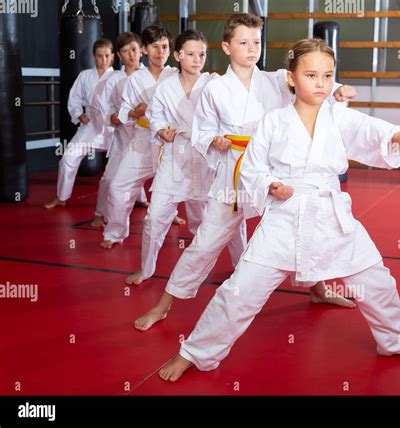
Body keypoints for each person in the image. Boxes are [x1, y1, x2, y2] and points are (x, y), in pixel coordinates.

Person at [158, 38, 400, 382]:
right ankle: (196, 352)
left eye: (327, 75)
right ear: (291, 78)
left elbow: (371, 130)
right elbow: (252, 168)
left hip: (332, 214)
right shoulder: (273, 121)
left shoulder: (339, 118)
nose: (320, 83)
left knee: (377, 282)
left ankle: (396, 340)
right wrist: (270, 185)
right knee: (239, 291)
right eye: (311, 75)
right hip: (284, 216)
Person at [134, 14, 356, 332]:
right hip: (233, 175)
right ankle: (163, 304)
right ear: (226, 47)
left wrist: (336, 90)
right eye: (243, 42)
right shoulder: (215, 88)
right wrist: (215, 140)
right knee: (205, 242)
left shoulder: (277, 79)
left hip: (275, 171)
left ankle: (317, 288)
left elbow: (311, 80)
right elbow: (201, 132)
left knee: (303, 229)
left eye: (256, 42)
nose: (252, 49)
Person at [126, 29, 245, 286]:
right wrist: (160, 130)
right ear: (178, 56)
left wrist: (222, 136)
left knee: (227, 215)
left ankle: (242, 266)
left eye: (201, 54)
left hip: (209, 157)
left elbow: (231, 114)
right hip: (176, 156)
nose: (197, 59)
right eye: (190, 54)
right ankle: (145, 269)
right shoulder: (165, 86)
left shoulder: (214, 82)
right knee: (155, 217)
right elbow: (155, 115)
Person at [100, 26, 183, 249]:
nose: (160, 51)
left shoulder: (176, 75)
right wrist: (137, 111)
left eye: (164, 46)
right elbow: (124, 112)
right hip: (142, 141)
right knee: (118, 188)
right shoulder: (136, 79)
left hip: (171, 143)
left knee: (193, 192)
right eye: (154, 46)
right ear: (145, 50)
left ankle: (200, 235)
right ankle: (115, 231)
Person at [44, 39, 114, 209]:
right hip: (89, 124)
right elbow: (74, 97)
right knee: (67, 159)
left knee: (127, 162)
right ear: (93, 56)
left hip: (112, 126)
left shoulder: (118, 77)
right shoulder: (85, 76)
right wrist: (78, 114)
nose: (103, 60)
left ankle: (139, 198)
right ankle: (61, 197)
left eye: (107, 56)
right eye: (99, 56)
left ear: (112, 57)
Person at [90, 32, 149, 228]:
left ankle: (169, 213)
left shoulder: (150, 76)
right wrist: (113, 117)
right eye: (126, 51)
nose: (131, 54)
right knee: (109, 179)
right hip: (123, 137)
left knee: (166, 178)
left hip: (148, 138)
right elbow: (105, 107)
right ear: (119, 54)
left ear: (141, 50)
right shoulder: (113, 79)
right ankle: (100, 213)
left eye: (134, 49)